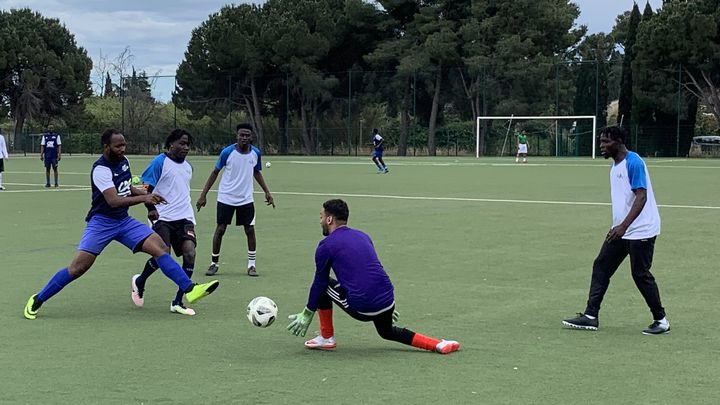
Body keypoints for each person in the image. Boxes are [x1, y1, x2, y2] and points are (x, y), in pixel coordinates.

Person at [23, 129, 219, 320]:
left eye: (124, 145)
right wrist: (145, 198)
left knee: (160, 248)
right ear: (106, 147)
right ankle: (38, 299)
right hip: (101, 223)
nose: (123, 149)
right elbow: (114, 200)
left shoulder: (123, 162)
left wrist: (143, 194)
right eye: (118, 146)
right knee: (77, 268)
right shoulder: (100, 169)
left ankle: (190, 289)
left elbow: (127, 188)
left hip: (124, 221)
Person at [287, 199, 460, 354]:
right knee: (387, 331)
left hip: (363, 308)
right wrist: (385, 306)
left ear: (329, 219)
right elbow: (368, 271)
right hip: (388, 300)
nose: (321, 221)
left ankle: (326, 338)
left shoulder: (325, 246)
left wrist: (307, 313)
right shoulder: (363, 236)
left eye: (321, 217)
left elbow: (320, 282)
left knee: (323, 286)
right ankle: (438, 344)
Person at [562, 126, 669, 335]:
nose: (601, 146)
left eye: (606, 142)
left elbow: (641, 197)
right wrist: (617, 227)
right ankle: (591, 316)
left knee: (640, 274)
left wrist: (623, 226)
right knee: (601, 266)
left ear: (619, 142)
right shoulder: (615, 165)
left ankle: (661, 320)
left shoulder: (633, 162)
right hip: (621, 231)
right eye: (601, 142)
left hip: (641, 231)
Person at [131, 129, 199, 316]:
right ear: (170, 144)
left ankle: (178, 301)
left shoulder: (188, 167)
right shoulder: (159, 162)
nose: (185, 147)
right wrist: (151, 209)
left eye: (188, 144)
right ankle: (140, 280)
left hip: (185, 217)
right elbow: (144, 189)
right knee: (164, 253)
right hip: (162, 217)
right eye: (182, 143)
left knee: (190, 252)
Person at [196, 123, 275, 277]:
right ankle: (214, 263)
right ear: (237, 136)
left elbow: (257, 172)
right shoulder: (227, 152)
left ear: (251, 136)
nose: (244, 138)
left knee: (250, 230)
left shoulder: (255, 153)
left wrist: (267, 192)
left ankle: (251, 265)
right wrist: (203, 195)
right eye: (241, 135)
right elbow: (215, 172)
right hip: (226, 197)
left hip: (246, 199)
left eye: (247, 135)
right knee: (220, 229)